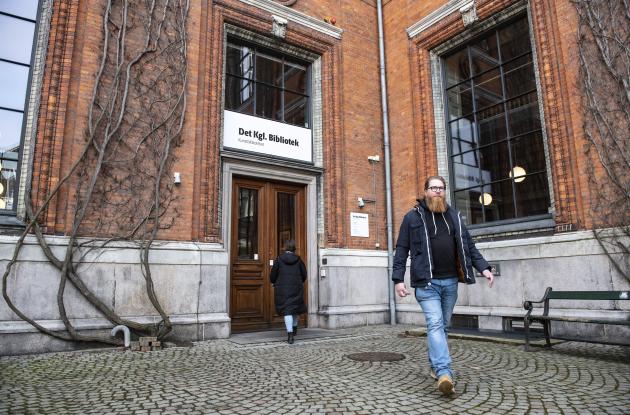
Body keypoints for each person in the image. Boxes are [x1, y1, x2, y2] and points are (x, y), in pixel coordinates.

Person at [392, 175, 494, 396]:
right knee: (436, 324)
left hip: (450, 282)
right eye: (433, 188)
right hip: (426, 284)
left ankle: (433, 365)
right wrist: (398, 279)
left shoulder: (455, 216)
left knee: (443, 326)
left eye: (441, 188)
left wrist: (483, 267)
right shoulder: (412, 217)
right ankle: (444, 372)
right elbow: (401, 249)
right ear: (425, 191)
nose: (437, 191)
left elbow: (469, 246)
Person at [270, 239, 307, 344]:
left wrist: (273, 281)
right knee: (294, 309)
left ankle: (290, 334)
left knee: (287, 310)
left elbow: (273, 275)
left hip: (283, 289)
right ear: (294, 248)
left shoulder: (279, 259)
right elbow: (304, 274)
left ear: (285, 248)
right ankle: (294, 328)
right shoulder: (299, 260)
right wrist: (300, 282)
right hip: (296, 287)